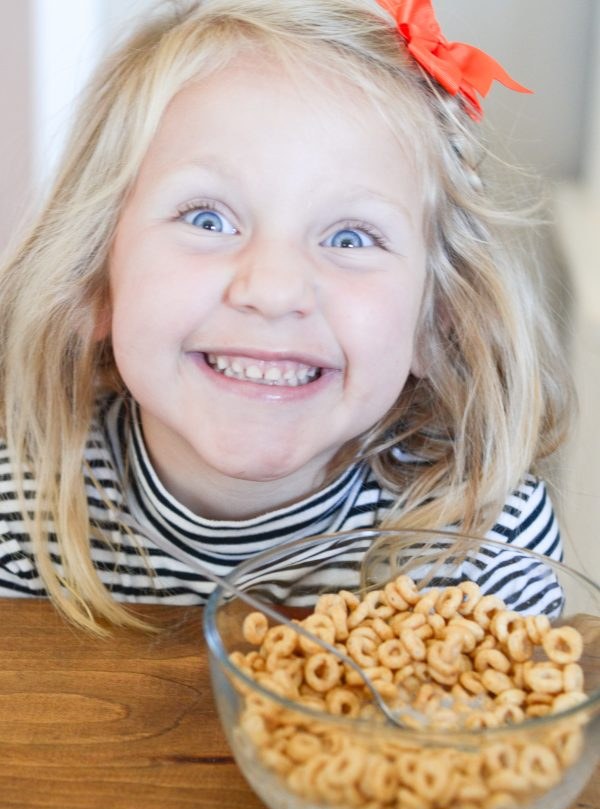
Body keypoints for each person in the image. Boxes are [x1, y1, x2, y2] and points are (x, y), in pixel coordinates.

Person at [0, 0, 570, 632]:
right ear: (93, 281)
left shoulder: (482, 547)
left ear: (436, 319)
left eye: (350, 237)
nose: (273, 290)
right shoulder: (14, 516)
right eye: (207, 219)